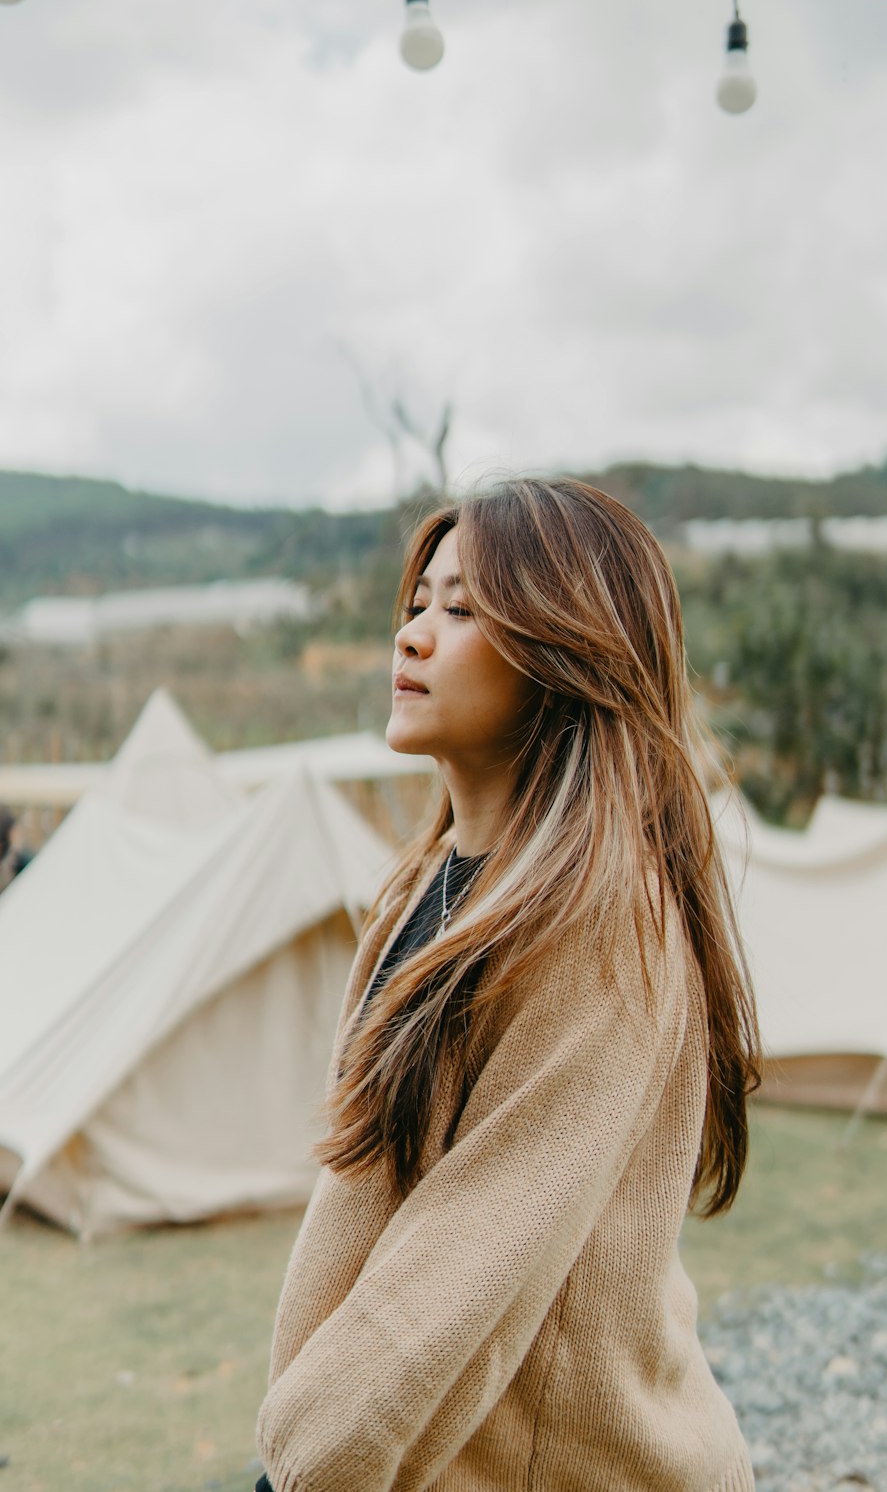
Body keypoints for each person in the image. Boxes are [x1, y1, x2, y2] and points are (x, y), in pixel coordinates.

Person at [255, 477, 761, 1492]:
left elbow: (468, 1255)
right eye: (416, 604)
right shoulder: (420, 895)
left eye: (462, 610)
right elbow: (365, 1196)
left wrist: (305, 1464)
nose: (411, 635)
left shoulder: (600, 931)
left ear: (562, 652)